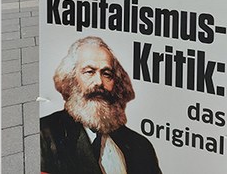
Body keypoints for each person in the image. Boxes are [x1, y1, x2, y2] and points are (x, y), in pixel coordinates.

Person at [40, 36, 161, 174]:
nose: (99, 82)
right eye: (89, 72)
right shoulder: (44, 134)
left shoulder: (140, 146)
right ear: (70, 78)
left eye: (107, 74)